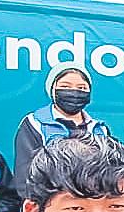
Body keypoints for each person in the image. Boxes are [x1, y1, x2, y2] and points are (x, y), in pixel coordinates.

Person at [12, 64, 111, 202]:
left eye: (82, 88)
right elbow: (25, 176)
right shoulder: (34, 123)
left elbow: (109, 174)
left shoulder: (99, 129)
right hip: (49, 207)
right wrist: (39, 207)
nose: (74, 92)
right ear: (52, 90)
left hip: (91, 206)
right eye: (65, 86)